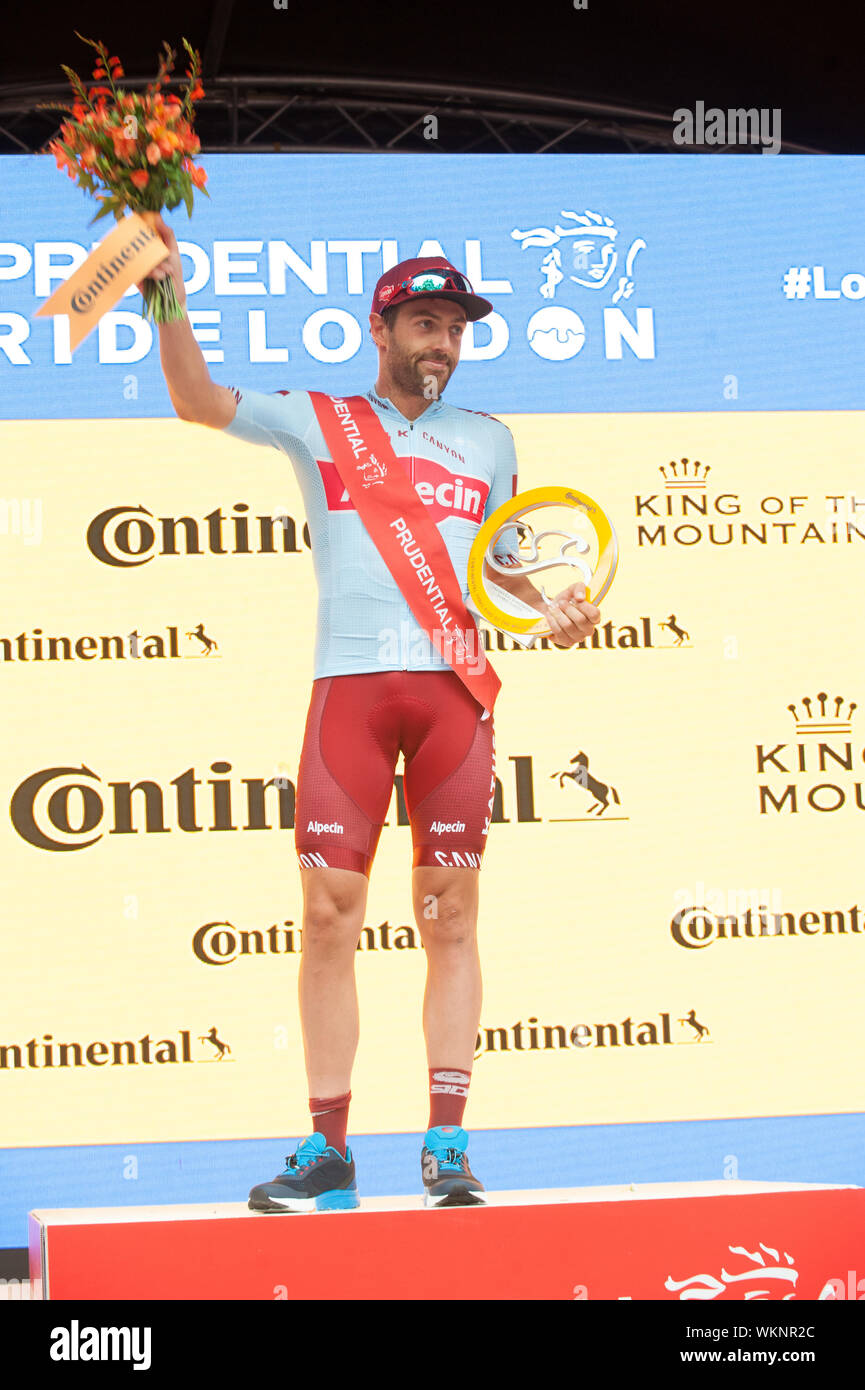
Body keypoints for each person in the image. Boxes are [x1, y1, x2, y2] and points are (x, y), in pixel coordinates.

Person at [143, 222, 602, 1210]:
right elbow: (194, 398)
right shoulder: (319, 420)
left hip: (451, 696)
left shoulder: (489, 439)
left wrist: (553, 610)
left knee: (448, 918)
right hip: (348, 692)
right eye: (425, 323)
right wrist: (167, 294)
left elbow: (503, 571)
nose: (442, 343)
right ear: (380, 327)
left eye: (456, 330)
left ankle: (446, 1141)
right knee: (325, 918)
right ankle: (329, 1146)